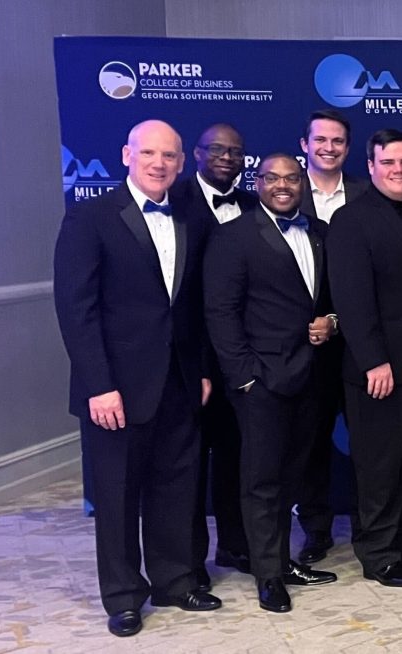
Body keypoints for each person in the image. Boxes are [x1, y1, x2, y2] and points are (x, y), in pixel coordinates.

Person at [54, 119, 221, 637]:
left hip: (180, 379)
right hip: (115, 388)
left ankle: (176, 580)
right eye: (148, 153)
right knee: (119, 492)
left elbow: (197, 305)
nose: (158, 163)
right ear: (126, 154)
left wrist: (204, 371)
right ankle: (124, 595)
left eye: (169, 155)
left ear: (181, 161)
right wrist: (98, 384)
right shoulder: (90, 218)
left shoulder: (193, 214)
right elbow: (75, 310)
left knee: (177, 486)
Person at [202, 154, 340, 612]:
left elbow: (330, 299)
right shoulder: (233, 236)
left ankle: (282, 561)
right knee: (262, 480)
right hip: (261, 382)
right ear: (256, 182)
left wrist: (332, 321)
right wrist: (243, 378)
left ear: (303, 182)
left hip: (311, 377)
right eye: (272, 178)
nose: (283, 185)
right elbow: (220, 313)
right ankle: (268, 576)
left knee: (293, 477)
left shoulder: (319, 232)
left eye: (291, 178)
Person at [326, 129, 402, 588]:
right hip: (381, 372)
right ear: (372, 167)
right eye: (389, 163)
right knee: (380, 470)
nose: (399, 171)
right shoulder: (351, 220)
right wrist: (374, 360)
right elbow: (353, 300)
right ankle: (379, 554)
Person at [168, 123, 255, 587]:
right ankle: (189, 561)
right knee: (189, 464)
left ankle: (236, 543)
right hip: (191, 359)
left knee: (237, 456)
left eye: (235, 151)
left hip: (240, 357)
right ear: (196, 154)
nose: (226, 157)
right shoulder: (174, 201)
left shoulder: (251, 203)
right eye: (217, 149)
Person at [296, 108, 370, 565]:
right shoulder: (281, 191)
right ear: (304, 143)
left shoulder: (366, 194)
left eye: (338, 141)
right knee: (309, 441)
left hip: (361, 340)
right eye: (320, 139)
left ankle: (370, 526)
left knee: (369, 439)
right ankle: (316, 530)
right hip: (306, 345)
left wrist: (341, 318)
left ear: (348, 148)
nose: (328, 147)